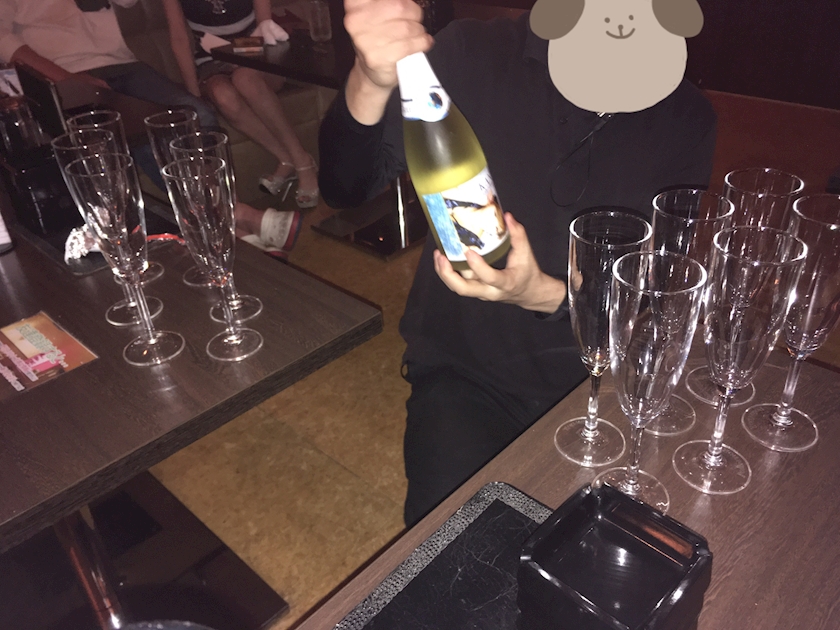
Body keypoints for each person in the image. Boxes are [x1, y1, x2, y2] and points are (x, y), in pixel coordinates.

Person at [318, 0, 717, 525]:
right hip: (467, 374)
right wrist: (369, 81)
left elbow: (657, 295)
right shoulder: (470, 52)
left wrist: (544, 294)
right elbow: (344, 188)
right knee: (450, 552)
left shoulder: (687, 116)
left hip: (600, 382)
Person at [0, 0, 301, 256]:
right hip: (60, 75)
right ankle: (232, 219)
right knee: (138, 133)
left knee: (193, 114)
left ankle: (221, 223)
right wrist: (66, 78)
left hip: (122, 64)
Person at [160, 0, 320, 210]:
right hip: (211, 61)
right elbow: (180, 39)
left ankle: (302, 161)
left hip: (257, 54)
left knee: (244, 79)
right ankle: (287, 158)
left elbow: (265, 27)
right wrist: (194, 96)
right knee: (222, 94)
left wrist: (233, 50)